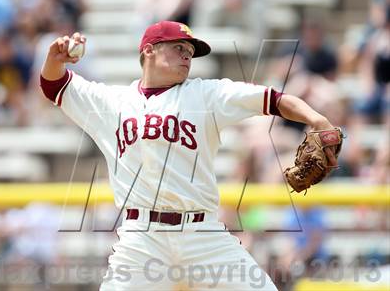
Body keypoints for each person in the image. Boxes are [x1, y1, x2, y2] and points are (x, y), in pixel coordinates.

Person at [39, 20, 338, 290]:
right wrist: (55, 58)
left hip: (203, 234)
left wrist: (318, 120)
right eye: (179, 47)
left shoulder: (206, 94)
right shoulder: (111, 102)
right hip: (142, 240)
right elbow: (54, 85)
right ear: (149, 50)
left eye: (190, 52)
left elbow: (273, 99)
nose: (187, 56)